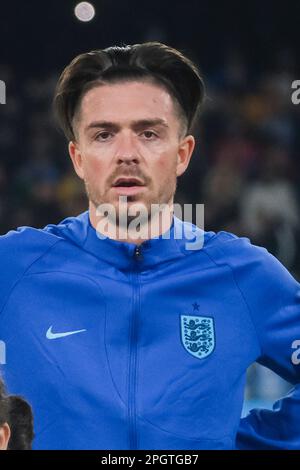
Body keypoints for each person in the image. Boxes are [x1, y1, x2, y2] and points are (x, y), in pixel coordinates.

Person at [0, 41, 299, 450]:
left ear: (183, 153)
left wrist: (238, 443)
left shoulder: (243, 273)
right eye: (103, 135)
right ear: (78, 158)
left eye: (149, 133)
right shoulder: (14, 266)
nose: (127, 154)